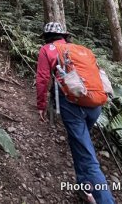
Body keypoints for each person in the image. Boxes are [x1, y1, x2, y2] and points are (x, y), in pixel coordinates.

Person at [36, 22, 115, 204]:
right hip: (95, 104)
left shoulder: (47, 49)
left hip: (72, 105)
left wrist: (41, 106)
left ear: (46, 36)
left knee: (87, 157)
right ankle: (83, 186)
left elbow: (42, 79)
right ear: (65, 35)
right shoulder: (80, 49)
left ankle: (104, 200)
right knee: (79, 144)